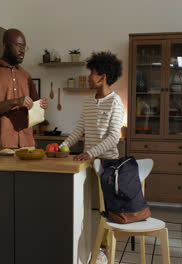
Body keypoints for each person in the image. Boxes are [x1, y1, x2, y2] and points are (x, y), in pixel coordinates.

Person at [60, 51, 125, 263]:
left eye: (92, 73)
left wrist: (90, 152)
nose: (89, 77)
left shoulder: (115, 103)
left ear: (103, 76)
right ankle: (90, 247)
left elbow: (114, 137)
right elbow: (79, 130)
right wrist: (60, 146)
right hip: (88, 164)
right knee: (88, 209)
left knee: (105, 211)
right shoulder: (88, 103)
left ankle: (104, 251)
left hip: (108, 165)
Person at [0, 28, 48, 149]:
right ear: (5, 46)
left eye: (24, 47)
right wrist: (15, 102)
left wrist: (40, 106)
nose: (22, 51)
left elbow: (35, 111)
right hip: (1, 146)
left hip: (27, 146)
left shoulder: (26, 76)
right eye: (19, 46)